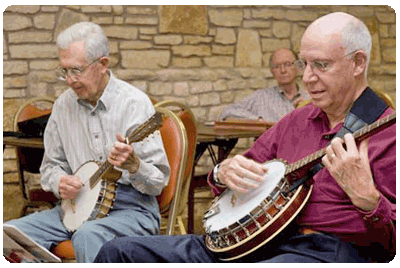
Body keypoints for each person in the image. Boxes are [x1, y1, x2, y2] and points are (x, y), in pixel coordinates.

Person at [93, 12, 395, 263]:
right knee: (119, 252)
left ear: (358, 63)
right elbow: (229, 182)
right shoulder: (295, 121)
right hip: (254, 239)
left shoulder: (387, 134)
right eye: (305, 64)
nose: (307, 77)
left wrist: (368, 200)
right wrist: (223, 173)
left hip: (324, 251)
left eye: (322, 65)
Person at [5, 22, 170, 263]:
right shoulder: (63, 106)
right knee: (9, 235)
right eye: (64, 71)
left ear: (103, 64)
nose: (70, 80)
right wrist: (60, 181)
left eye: (77, 70)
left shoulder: (134, 103)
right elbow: (50, 166)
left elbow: (157, 183)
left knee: (88, 236)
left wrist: (135, 165)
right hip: (76, 207)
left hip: (132, 210)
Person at [219, 48, 309, 122]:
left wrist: (310, 110)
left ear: (297, 67)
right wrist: (258, 120)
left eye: (287, 64)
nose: (283, 70)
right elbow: (227, 112)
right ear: (272, 72)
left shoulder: (310, 98)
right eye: (277, 66)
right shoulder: (261, 97)